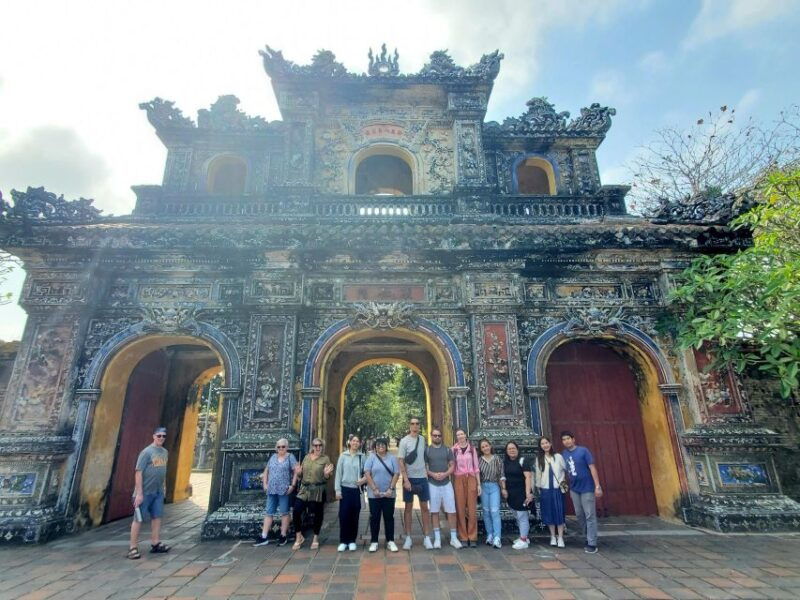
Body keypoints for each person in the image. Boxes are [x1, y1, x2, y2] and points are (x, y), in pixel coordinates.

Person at [128, 426, 170, 559]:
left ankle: (155, 542)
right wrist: (139, 493)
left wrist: (164, 487)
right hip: (144, 492)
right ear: (153, 436)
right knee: (138, 519)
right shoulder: (146, 452)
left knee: (157, 517)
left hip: (157, 491)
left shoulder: (164, 452)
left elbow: (163, 470)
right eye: (159, 436)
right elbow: (138, 472)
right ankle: (133, 547)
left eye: (163, 436)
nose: (161, 438)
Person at [561, 431, 603, 554]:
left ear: (573, 439)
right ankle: (587, 536)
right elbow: (564, 470)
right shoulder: (564, 454)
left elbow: (592, 468)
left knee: (590, 514)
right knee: (579, 514)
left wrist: (597, 486)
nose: (566, 441)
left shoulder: (583, 451)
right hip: (574, 488)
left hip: (587, 487)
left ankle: (592, 542)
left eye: (568, 438)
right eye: (564, 440)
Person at [253, 438, 298, 547]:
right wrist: (265, 484)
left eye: (283, 446)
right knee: (269, 512)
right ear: (276, 448)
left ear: (287, 447)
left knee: (284, 512)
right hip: (271, 489)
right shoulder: (273, 457)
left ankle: (283, 535)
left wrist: (292, 485)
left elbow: (296, 471)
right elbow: (266, 470)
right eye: (279, 447)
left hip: (284, 490)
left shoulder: (290, 457)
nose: (281, 449)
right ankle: (264, 536)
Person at [398, 415, 433, 550]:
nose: (415, 426)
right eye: (412, 424)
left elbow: (424, 458)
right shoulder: (404, 441)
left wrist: (427, 472)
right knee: (408, 508)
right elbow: (401, 461)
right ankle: (408, 537)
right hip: (409, 478)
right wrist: (405, 479)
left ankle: (427, 537)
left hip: (422, 478)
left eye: (417, 423)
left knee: (425, 507)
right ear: (409, 426)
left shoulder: (422, 439)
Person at [292, 437, 334, 550]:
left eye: (320, 445)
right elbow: (301, 475)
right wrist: (299, 473)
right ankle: (298, 537)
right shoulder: (306, 457)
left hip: (318, 490)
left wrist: (326, 474)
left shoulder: (325, 459)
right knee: (296, 511)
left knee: (317, 514)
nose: (318, 447)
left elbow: (327, 477)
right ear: (312, 446)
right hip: (304, 489)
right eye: (316, 445)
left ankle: (315, 538)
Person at [425, 426, 461, 549]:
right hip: (432, 483)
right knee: (434, 511)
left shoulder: (447, 450)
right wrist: (433, 474)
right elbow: (425, 467)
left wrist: (445, 474)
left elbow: (452, 465)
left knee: (451, 510)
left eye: (439, 435)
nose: (437, 437)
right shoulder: (427, 450)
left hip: (446, 483)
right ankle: (437, 538)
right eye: (435, 435)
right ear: (431, 436)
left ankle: (454, 537)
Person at [363, 438, 400, 552]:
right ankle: (374, 541)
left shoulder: (392, 458)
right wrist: (374, 488)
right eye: (378, 445)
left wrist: (391, 489)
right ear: (375, 446)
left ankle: (390, 541)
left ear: (386, 446)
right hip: (374, 494)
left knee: (389, 517)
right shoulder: (371, 458)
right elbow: (367, 473)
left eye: (383, 444)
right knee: (374, 518)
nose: (380, 447)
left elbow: (396, 473)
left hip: (389, 494)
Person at [335, 434, 367, 551]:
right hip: (345, 489)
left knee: (355, 515)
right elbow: (338, 474)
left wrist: (364, 480)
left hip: (356, 490)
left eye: (357, 441)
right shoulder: (343, 456)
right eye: (353, 441)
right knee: (343, 515)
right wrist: (337, 490)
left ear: (360, 443)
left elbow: (367, 472)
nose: (355, 443)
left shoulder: (362, 457)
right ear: (349, 442)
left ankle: (352, 540)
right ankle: (343, 540)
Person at [534, 436, 567, 548]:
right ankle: (553, 536)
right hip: (546, 489)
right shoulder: (539, 459)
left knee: (559, 512)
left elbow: (565, 469)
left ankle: (561, 537)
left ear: (550, 443)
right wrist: (538, 487)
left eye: (546, 443)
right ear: (540, 446)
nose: (545, 445)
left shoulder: (558, 457)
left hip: (557, 489)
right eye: (542, 444)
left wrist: (563, 482)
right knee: (549, 513)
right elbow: (538, 475)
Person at [452, 428, 480, 547]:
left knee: (472, 508)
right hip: (459, 478)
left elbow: (477, 467)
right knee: (460, 507)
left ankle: (472, 536)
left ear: (465, 435)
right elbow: (451, 466)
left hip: (471, 478)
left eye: (462, 434)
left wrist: (479, 484)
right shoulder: (453, 450)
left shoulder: (472, 449)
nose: (460, 436)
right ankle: (463, 536)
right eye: (458, 435)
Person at [502, 440, 533, 550]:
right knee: (516, 515)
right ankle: (523, 536)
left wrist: (528, 493)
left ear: (517, 449)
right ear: (506, 451)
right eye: (509, 449)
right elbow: (503, 477)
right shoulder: (505, 462)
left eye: (513, 448)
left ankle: (523, 540)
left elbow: (528, 477)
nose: (511, 450)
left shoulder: (523, 461)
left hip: (521, 492)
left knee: (522, 516)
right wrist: (504, 489)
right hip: (511, 493)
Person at [478, 438, 505, 548]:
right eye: (483, 447)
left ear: (490, 446)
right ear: (481, 449)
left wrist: (503, 488)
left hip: (494, 486)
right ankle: (490, 534)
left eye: (486, 446)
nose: (485, 448)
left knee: (495, 511)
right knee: (486, 512)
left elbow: (501, 475)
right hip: (484, 486)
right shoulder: (479, 460)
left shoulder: (497, 459)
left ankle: (497, 537)